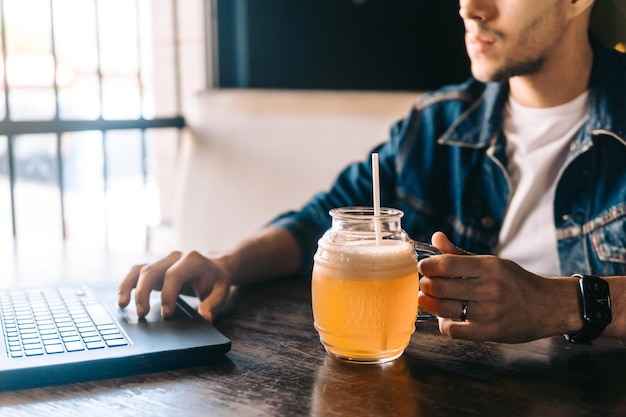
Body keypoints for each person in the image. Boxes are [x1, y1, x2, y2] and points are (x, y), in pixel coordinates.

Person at [118, 0, 626, 345]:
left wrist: (561, 303)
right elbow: (321, 219)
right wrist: (227, 264)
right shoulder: (435, 125)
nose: (470, 7)